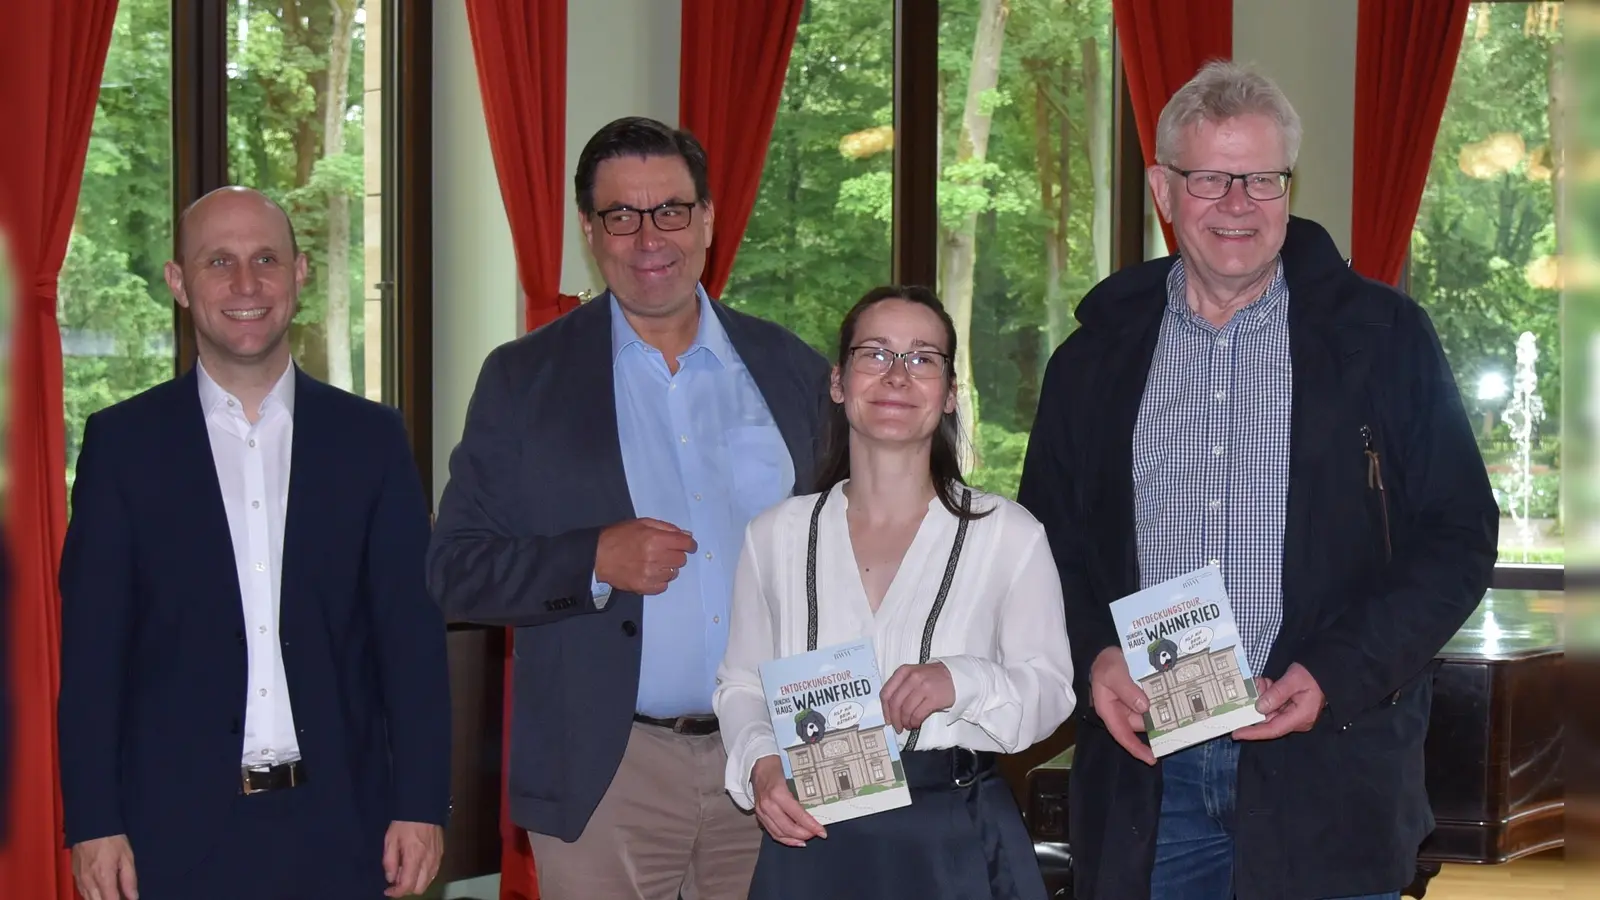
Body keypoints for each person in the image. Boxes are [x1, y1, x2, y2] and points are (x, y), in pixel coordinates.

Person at [1016, 60, 1499, 900]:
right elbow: (1043, 546)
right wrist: (1093, 655)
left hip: (1329, 771)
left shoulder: (1382, 339)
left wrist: (1335, 672)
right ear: (1163, 190)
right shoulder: (1094, 356)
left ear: (1288, 186)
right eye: (1210, 179)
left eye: (1262, 179)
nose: (1237, 205)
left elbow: (1458, 537)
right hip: (1149, 782)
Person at [427, 115, 831, 900]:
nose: (650, 237)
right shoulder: (522, 381)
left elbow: (851, 556)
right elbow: (454, 570)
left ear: (708, 218)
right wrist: (591, 560)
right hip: (608, 770)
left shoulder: (791, 370)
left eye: (671, 210)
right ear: (590, 228)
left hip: (776, 755)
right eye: (622, 214)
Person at [58, 186, 452, 900]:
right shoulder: (122, 446)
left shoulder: (372, 440)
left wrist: (422, 804)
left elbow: (411, 642)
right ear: (179, 282)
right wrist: (92, 821)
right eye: (219, 262)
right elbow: (92, 656)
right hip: (170, 833)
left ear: (300, 273)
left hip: (344, 826)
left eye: (266, 258)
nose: (246, 284)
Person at [713, 285, 1076, 900]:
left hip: (954, 839)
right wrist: (761, 764)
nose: (897, 375)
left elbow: (1052, 689)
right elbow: (742, 685)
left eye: (923, 357)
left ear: (950, 393)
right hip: (812, 838)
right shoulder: (774, 535)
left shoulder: (1008, 535)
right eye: (875, 354)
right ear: (838, 381)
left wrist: (961, 680)